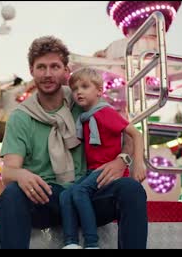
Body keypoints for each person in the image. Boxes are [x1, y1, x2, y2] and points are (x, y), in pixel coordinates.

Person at [0, 35, 148, 249]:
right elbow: (8, 172)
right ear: (31, 71)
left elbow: (125, 133)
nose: (48, 74)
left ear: (66, 71)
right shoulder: (20, 117)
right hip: (47, 198)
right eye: (41, 67)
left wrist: (121, 160)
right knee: (12, 195)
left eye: (54, 66)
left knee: (131, 189)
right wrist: (21, 174)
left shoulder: (83, 100)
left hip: (88, 196)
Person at [60, 68, 146, 249]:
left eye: (84, 87)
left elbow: (135, 134)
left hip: (105, 169)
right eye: (75, 89)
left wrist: (138, 164)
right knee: (66, 194)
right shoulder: (85, 117)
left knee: (79, 191)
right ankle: (71, 243)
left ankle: (91, 243)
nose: (78, 92)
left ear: (99, 91)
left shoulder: (105, 113)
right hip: (93, 171)